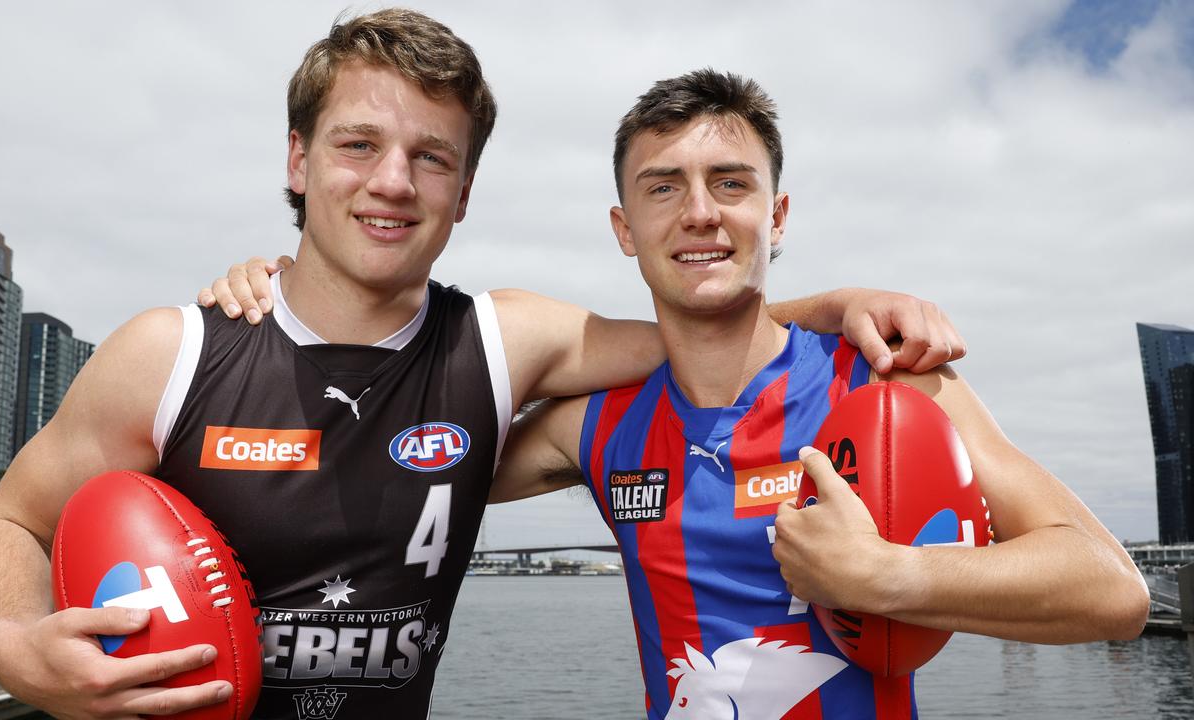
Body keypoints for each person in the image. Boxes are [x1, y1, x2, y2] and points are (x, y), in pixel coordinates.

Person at [0, 10, 963, 720]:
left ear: (463, 192)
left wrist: (831, 307)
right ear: (297, 161)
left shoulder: (505, 342)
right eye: (357, 145)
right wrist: (13, 648)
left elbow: (704, 327)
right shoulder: (171, 354)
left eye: (431, 157)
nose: (392, 182)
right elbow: (6, 522)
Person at [481, 71, 1150, 717]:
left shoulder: (887, 381)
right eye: (662, 188)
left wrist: (888, 576)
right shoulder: (597, 426)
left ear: (776, 217)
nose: (700, 212)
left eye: (730, 183)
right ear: (625, 229)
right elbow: (417, 467)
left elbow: (1112, 590)